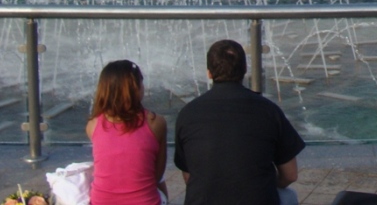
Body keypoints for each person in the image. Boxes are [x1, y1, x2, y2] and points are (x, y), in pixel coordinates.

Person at [175, 39, 305, 205]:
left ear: (209, 73)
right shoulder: (268, 110)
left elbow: (189, 176)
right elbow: (290, 175)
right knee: (288, 196)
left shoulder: (188, 113)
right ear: (244, 69)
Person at [86, 60, 169, 205]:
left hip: (101, 202)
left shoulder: (93, 125)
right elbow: (157, 174)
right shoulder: (156, 123)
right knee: (160, 186)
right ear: (136, 88)